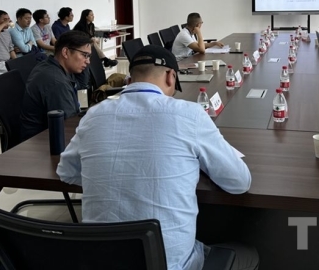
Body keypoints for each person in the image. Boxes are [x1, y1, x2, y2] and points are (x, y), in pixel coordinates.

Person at [57, 45, 258, 270]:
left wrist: (109, 176)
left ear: (129, 79)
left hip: (100, 261)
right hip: (170, 265)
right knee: (248, 253)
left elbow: (66, 172)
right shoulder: (190, 114)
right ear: (171, 76)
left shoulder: (93, 115)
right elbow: (239, 182)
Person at [20, 31, 92, 142]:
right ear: (65, 52)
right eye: (84, 55)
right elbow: (70, 125)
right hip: (43, 142)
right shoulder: (56, 83)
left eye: (89, 56)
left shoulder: (51, 65)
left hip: (48, 136)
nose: (88, 61)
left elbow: (81, 86)